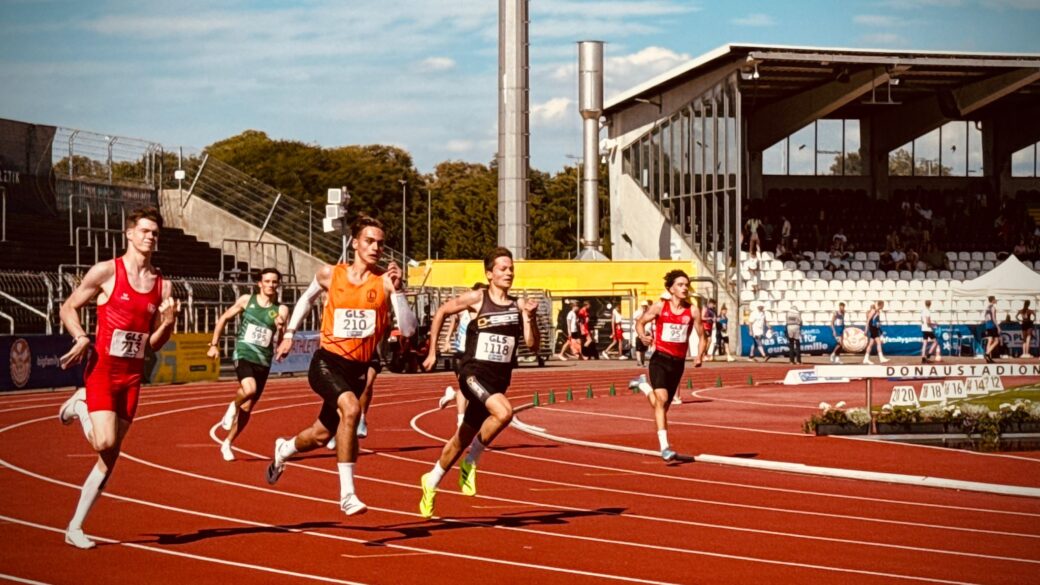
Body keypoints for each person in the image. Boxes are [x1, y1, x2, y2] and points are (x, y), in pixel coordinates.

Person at [267, 215, 416, 517]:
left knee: (321, 435)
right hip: (327, 362)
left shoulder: (385, 282)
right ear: (354, 243)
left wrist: (398, 292)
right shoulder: (329, 274)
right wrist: (290, 335)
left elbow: (410, 330)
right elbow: (306, 300)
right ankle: (347, 494)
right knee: (351, 409)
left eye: (380, 243)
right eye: (369, 241)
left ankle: (284, 449)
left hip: (357, 370)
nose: (375, 247)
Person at [56, 207, 181, 549]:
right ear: (129, 234)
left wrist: (168, 324)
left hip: (132, 377)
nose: (150, 237)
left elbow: (152, 345)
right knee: (104, 441)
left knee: (110, 457)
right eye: (144, 231)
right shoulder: (107, 271)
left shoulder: (162, 285)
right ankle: (81, 403)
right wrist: (81, 336)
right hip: (102, 370)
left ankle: (75, 527)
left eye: (155, 233)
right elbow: (68, 307)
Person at [418, 247, 540, 518]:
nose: (508, 273)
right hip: (472, 373)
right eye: (502, 268)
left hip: (498, 380)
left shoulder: (518, 305)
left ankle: (432, 480)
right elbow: (441, 312)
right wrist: (433, 350)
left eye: (511, 269)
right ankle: (471, 462)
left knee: (460, 439)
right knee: (505, 412)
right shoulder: (477, 298)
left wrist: (530, 318)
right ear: (489, 274)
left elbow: (532, 346)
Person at [208, 268, 288, 462]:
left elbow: (283, 335)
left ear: (278, 285)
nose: (270, 285)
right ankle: (232, 406)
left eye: (274, 282)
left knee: (248, 407)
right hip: (243, 352)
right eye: (267, 281)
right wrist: (213, 344)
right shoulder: (247, 300)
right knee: (249, 389)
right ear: (259, 284)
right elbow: (224, 318)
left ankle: (228, 442)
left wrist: (281, 327)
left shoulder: (281, 309)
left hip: (263, 360)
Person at [633, 270, 703, 461]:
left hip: (678, 363)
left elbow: (703, 335)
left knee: (662, 406)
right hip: (660, 359)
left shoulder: (693, 310)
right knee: (661, 400)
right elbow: (640, 322)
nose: (684, 288)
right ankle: (665, 447)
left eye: (686, 284)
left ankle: (642, 385)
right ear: (671, 288)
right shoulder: (659, 307)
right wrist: (642, 336)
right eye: (680, 285)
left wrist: (699, 355)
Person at [437, 283, 488, 427]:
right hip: (461, 354)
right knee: (466, 387)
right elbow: (453, 321)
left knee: (474, 390)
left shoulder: (483, 311)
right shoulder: (463, 309)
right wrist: (447, 340)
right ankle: (461, 421)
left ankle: (452, 395)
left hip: (476, 355)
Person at [919, 299, 941, 364]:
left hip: (923, 329)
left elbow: (922, 320)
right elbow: (928, 322)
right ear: (930, 304)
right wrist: (935, 325)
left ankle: (923, 358)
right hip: (928, 329)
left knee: (925, 343)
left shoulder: (923, 311)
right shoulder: (928, 312)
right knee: (936, 342)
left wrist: (925, 325)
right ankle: (929, 355)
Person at [982, 295, 1000, 363]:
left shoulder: (987, 307)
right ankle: (987, 353)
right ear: (993, 300)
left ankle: (988, 358)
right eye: (995, 299)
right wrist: (998, 327)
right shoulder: (993, 307)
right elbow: (994, 318)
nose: (996, 300)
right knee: (996, 341)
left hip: (987, 325)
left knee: (990, 341)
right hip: (992, 325)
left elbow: (986, 317)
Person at [632, 300, 650, 366]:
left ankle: (642, 361)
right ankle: (639, 361)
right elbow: (637, 319)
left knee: (643, 349)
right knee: (638, 348)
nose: (645, 307)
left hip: (646, 333)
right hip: (638, 333)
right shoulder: (637, 312)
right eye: (643, 306)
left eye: (646, 306)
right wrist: (642, 312)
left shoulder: (648, 313)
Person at [699, 299, 717, 363]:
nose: (714, 306)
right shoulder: (705, 308)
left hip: (710, 327)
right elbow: (702, 317)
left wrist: (714, 320)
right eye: (713, 304)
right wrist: (708, 318)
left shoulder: (713, 311)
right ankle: (703, 354)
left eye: (714, 305)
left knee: (707, 341)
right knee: (708, 340)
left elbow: (714, 318)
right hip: (705, 326)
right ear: (709, 303)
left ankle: (703, 355)